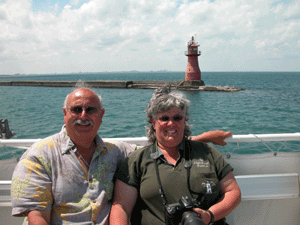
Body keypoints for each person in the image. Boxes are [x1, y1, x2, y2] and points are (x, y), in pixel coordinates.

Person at [11, 87, 232, 225]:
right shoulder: (38, 156)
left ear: (101, 115)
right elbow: (36, 216)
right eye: (76, 110)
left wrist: (203, 139)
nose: (84, 116)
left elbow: (164, 147)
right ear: (65, 113)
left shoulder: (116, 151)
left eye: (91, 110)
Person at [110, 86, 241, 225]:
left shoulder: (208, 153)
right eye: (164, 118)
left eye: (177, 118)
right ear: (154, 123)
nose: (171, 123)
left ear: (184, 121)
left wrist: (210, 215)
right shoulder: (136, 161)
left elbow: (233, 192)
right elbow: (121, 207)